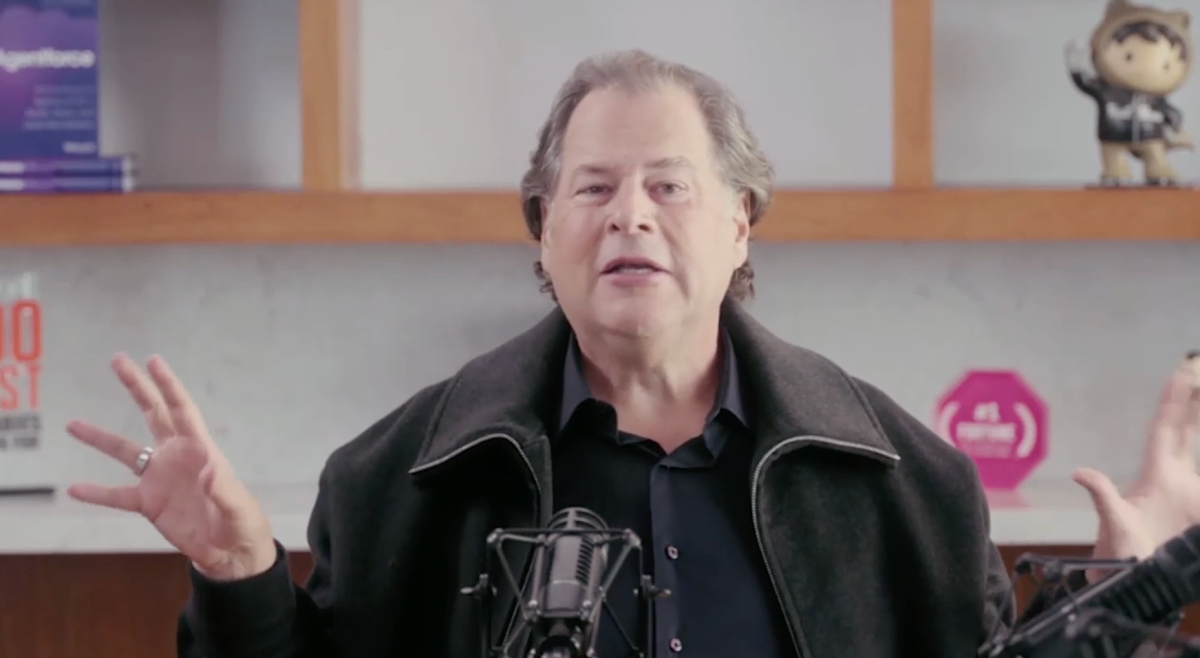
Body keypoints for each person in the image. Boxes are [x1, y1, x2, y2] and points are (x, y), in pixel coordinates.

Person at [66, 49, 1200, 658]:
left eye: (669, 186)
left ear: (741, 222)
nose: (631, 215)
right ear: (542, 232)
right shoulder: (396, 477)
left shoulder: (908, 484)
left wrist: (1124, 598)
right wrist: (241, 570)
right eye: (593, 188)